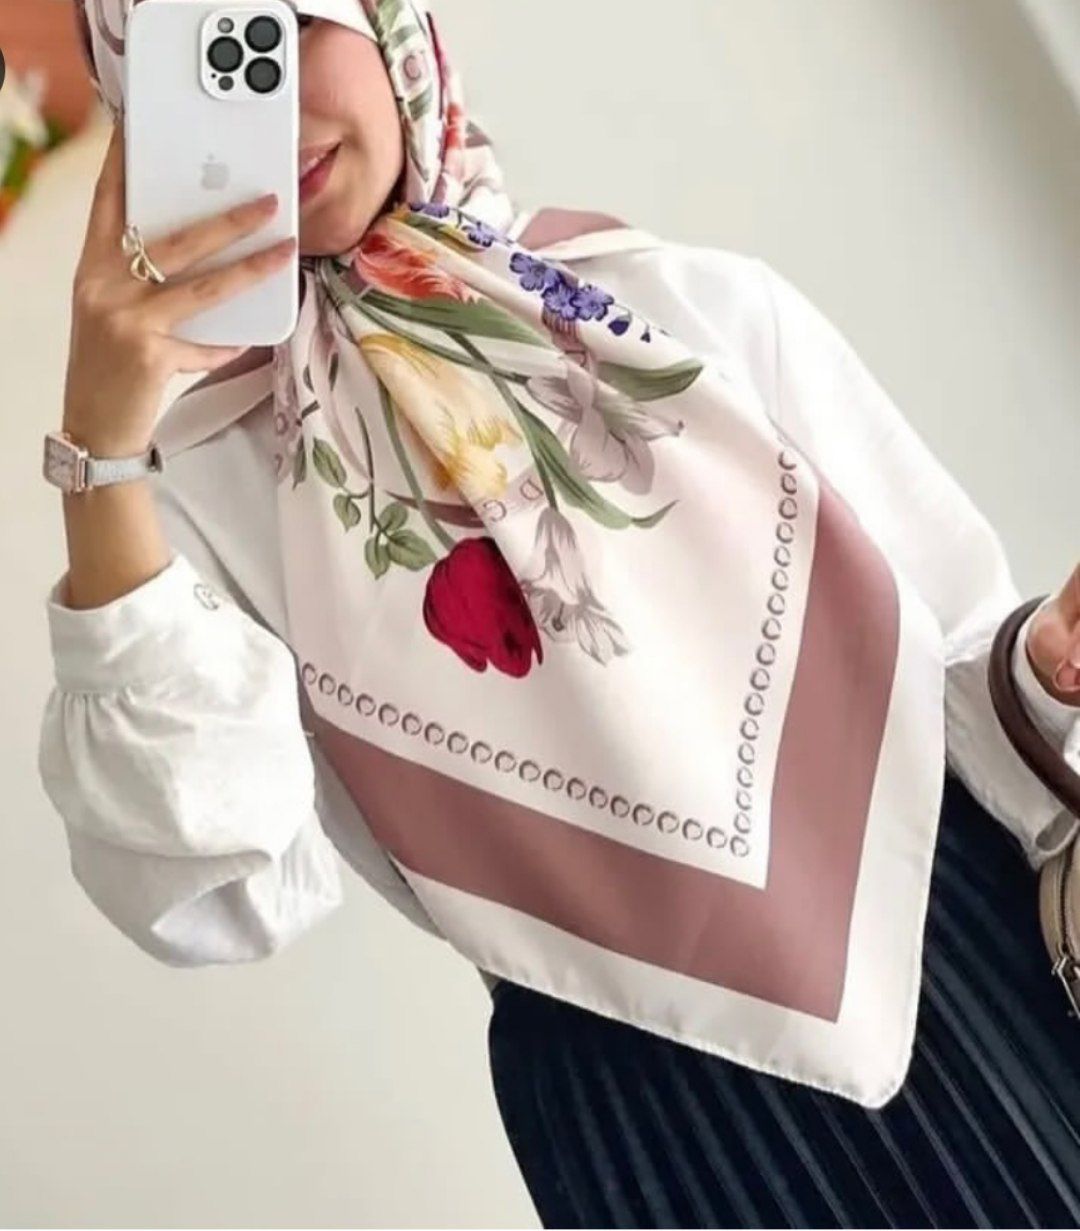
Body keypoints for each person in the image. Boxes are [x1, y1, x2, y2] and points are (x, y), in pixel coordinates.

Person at [39, 3, 1080, 1227]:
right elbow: (218, 885)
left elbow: (951, 670)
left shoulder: (677, 305)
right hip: (658, 1121)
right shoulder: (194, 494)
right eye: (200, 72)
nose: (265, 118)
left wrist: (1040, 673)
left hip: (952, 940)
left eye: (282, 26)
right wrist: (98, 456)